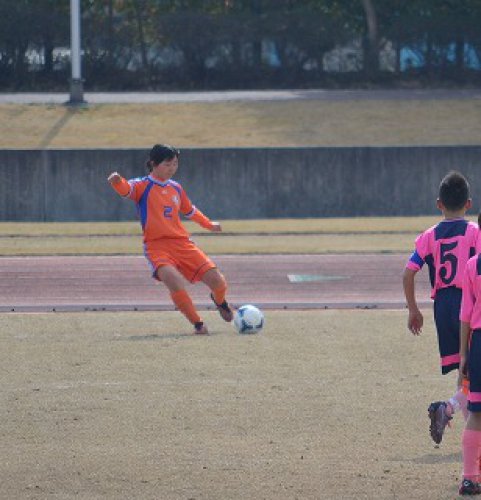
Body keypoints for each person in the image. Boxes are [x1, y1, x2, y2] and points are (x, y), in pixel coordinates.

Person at [107, 143, 234, 335]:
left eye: (175, 164)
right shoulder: (142, 186)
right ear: (153, 164)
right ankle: (198, 324)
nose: (172, 168)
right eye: (167, 164)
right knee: (173, 281)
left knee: (218, 281)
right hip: (156, 247)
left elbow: (190, 210)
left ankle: (220, 301)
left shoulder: (176, 188)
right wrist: (117, 181)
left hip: (182, 244)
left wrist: (209, 224)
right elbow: (126, 189)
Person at [403, 170, 480, 445]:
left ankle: (464, 425)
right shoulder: (474, 232)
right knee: (472, 370)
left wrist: (413, 310)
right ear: (469, 204)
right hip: (467, 303)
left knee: (464, 370)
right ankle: (450, 411)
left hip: (443, 307)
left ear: (439, 204)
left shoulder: (429, 235)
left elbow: (408, 273)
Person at [458, 214, 481, 495]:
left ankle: (469, 478)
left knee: (477, 412)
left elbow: (465, 313)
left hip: (479, 342)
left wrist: (463, 353)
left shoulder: (473, 265)